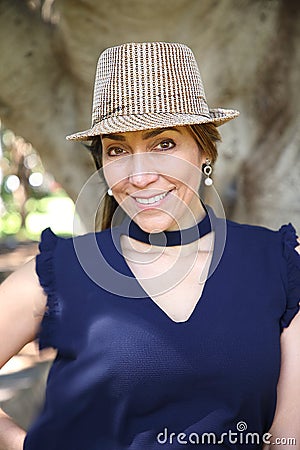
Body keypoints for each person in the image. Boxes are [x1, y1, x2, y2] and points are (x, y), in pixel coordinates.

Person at [0, 42, 299, 450]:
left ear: (205, 149)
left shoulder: (278, 265)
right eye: (118, 150)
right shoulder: (59, 273)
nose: (140, 176)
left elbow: (288, 438)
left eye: (164, 144)